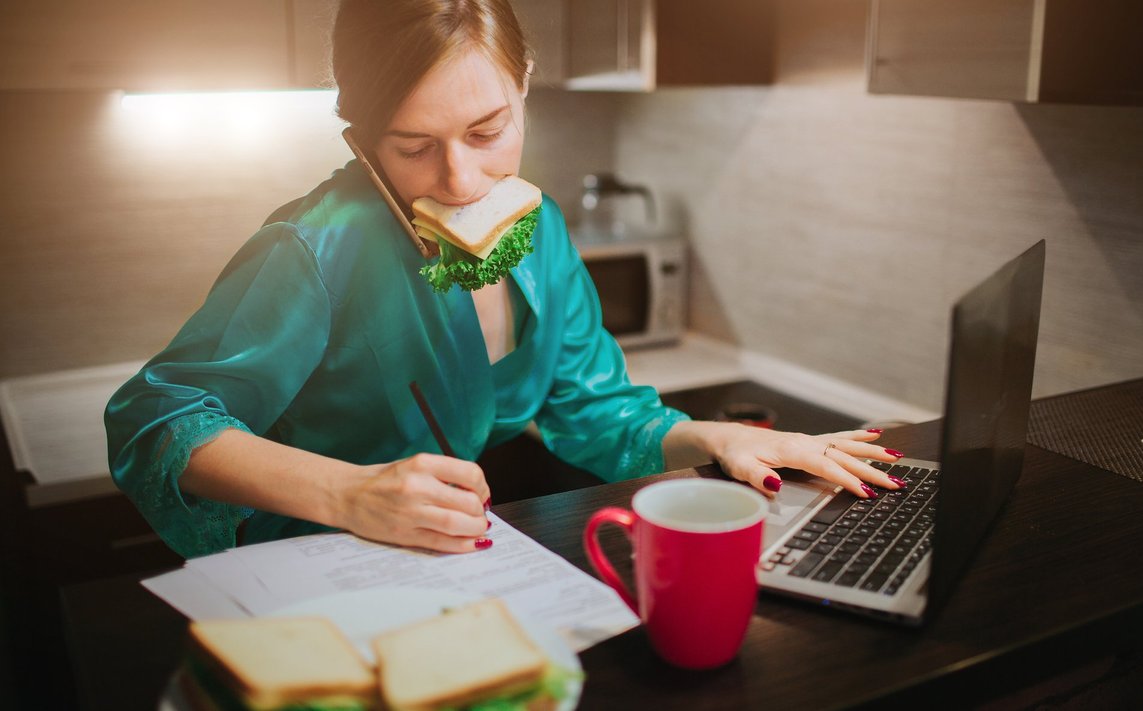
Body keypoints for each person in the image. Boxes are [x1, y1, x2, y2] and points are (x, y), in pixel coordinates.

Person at [104, 0, 905, 560]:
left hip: (452, 570)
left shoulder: (541, 228)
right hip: (312, 583)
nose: (459, 178)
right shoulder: (314, 246)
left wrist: (719, 437)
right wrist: (349, 493)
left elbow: (596, 410)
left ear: (523, 81)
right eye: (412, 145)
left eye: (488, 131)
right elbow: (154, 419)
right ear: (358, 133)